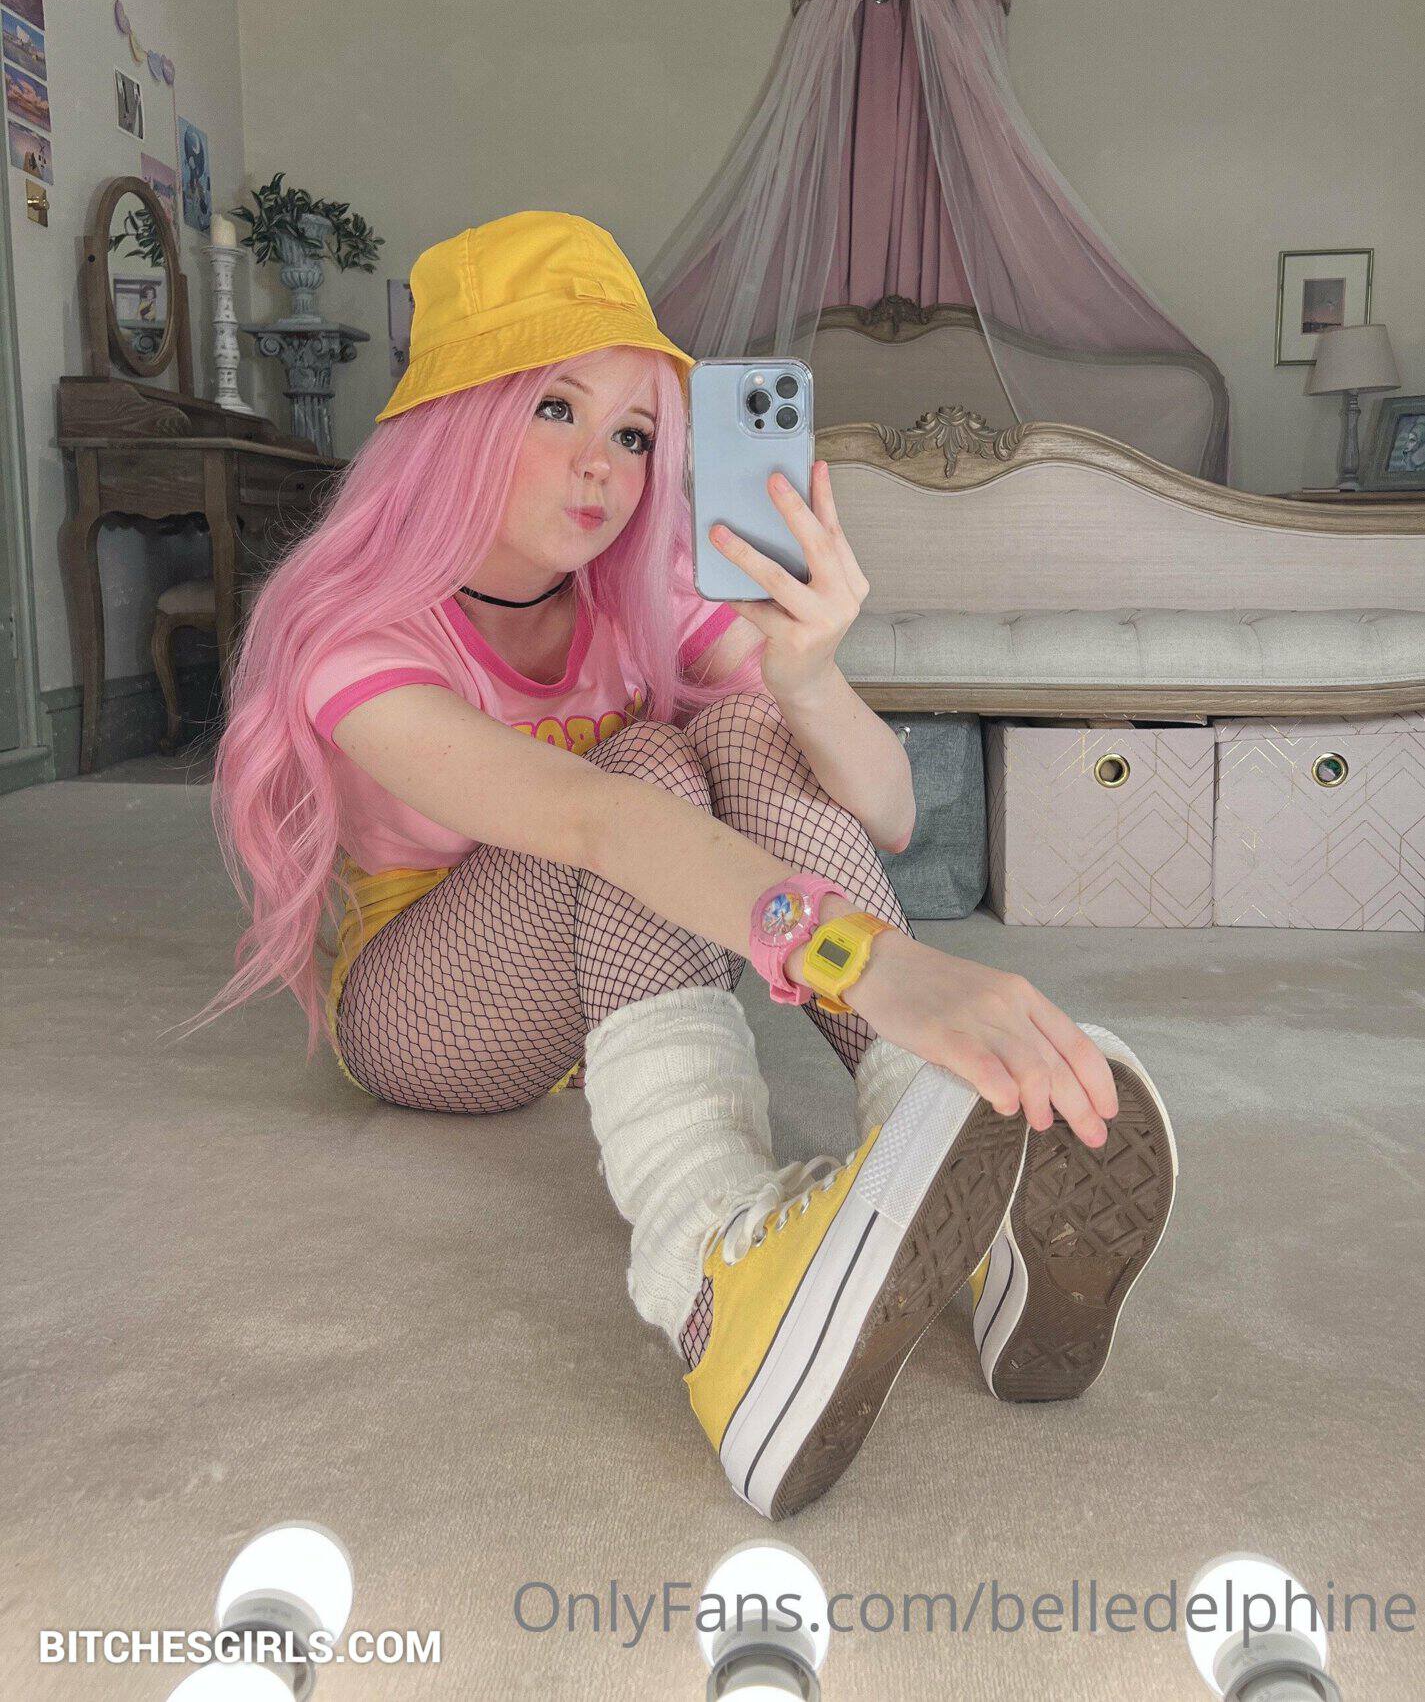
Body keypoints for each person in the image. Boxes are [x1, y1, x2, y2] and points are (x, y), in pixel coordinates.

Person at [190, 211, 1177, 1520]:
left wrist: (808, 674)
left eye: (635, 434)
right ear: (451, 421)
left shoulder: (642, 590)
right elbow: (597, 826)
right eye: (555, 408)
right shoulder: (355, 635)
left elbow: (889, 812)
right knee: (644, 765)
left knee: (748, 727)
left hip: (606, 985)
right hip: (430, 1015)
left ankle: (943, 1134)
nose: (600, 467)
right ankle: (709, 1255)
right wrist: (880, 968)